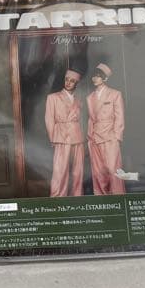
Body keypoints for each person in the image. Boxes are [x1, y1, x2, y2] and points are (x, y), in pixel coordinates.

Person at [45, 68, 85, 197]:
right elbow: (49, 119)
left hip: (77, 137)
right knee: (60, 170)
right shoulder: (53, 97)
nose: (68, 83)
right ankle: (57, 197)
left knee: (78, 170)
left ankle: (77, 196)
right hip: (61, 137)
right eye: (67, 79)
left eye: (72, 81)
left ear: (76, 83)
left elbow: (82, 121)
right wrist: (53, 139)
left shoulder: (79, 101)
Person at [86, 63, 125, 196]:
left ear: (105, 78)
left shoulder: (115, 94)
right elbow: (91, 119)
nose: (95, 78)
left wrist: (117, 136)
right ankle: (101, 199)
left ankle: (118, 198)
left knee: (114, 170)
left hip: (110, 137)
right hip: (94, 138)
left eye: (98, 76)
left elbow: (119, 117)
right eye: (94, 75)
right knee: (98, 172)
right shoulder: (90, 97)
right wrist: (89, 137)